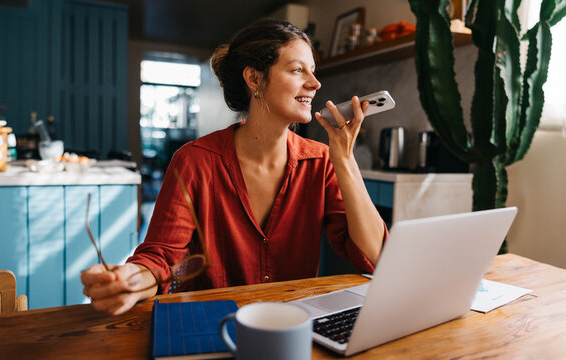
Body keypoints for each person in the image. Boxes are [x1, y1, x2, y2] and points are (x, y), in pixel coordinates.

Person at [81, 19, 386, 315]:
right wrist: (130, 280)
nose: (315, 83)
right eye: (297, 70)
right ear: (254, 79)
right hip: (210, 326)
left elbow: (374, 257)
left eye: (313, 71)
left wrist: (344, 159)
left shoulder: (322, 160)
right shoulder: (194, 161)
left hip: (292, 326)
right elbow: (161, 257)